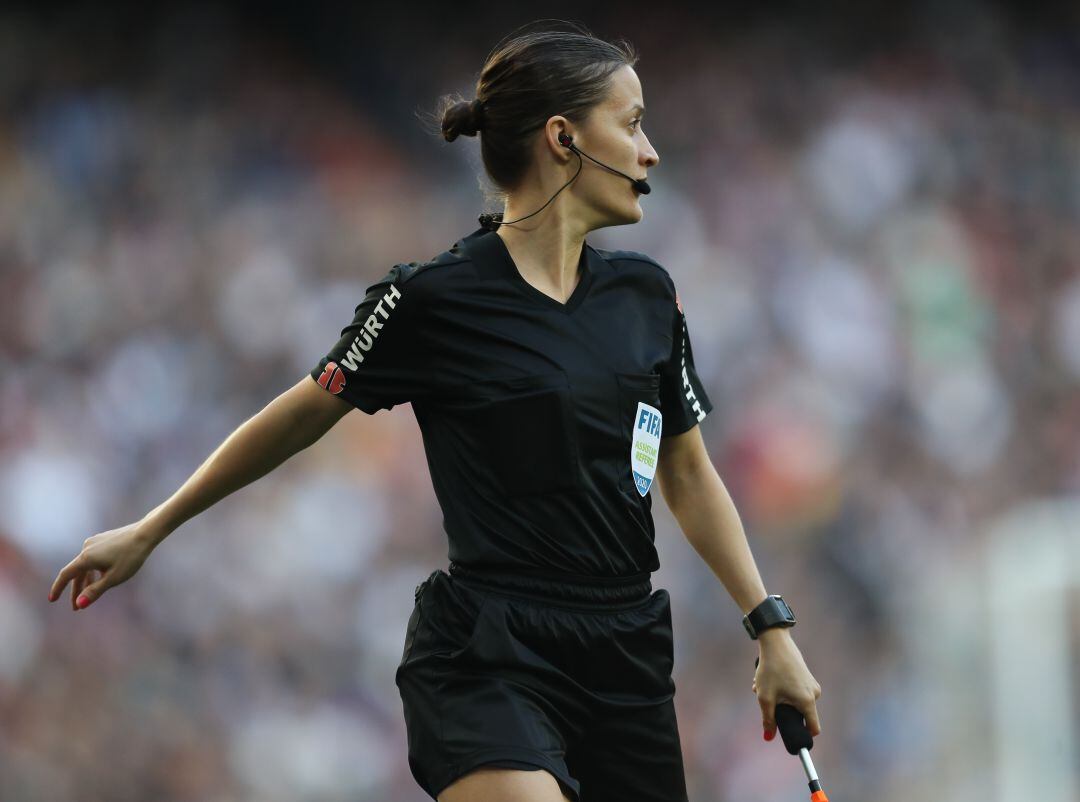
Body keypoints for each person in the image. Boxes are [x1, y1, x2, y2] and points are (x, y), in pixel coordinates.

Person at [48, 21, 822, 802]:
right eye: (630, 124)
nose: (650, 150)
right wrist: (153, 526)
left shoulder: (648, 297)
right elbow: (300, 414)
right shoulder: (433, 298)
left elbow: (687, 472)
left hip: (627, 658)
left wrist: (771, 627)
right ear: (562, 138)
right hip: (489, 653)